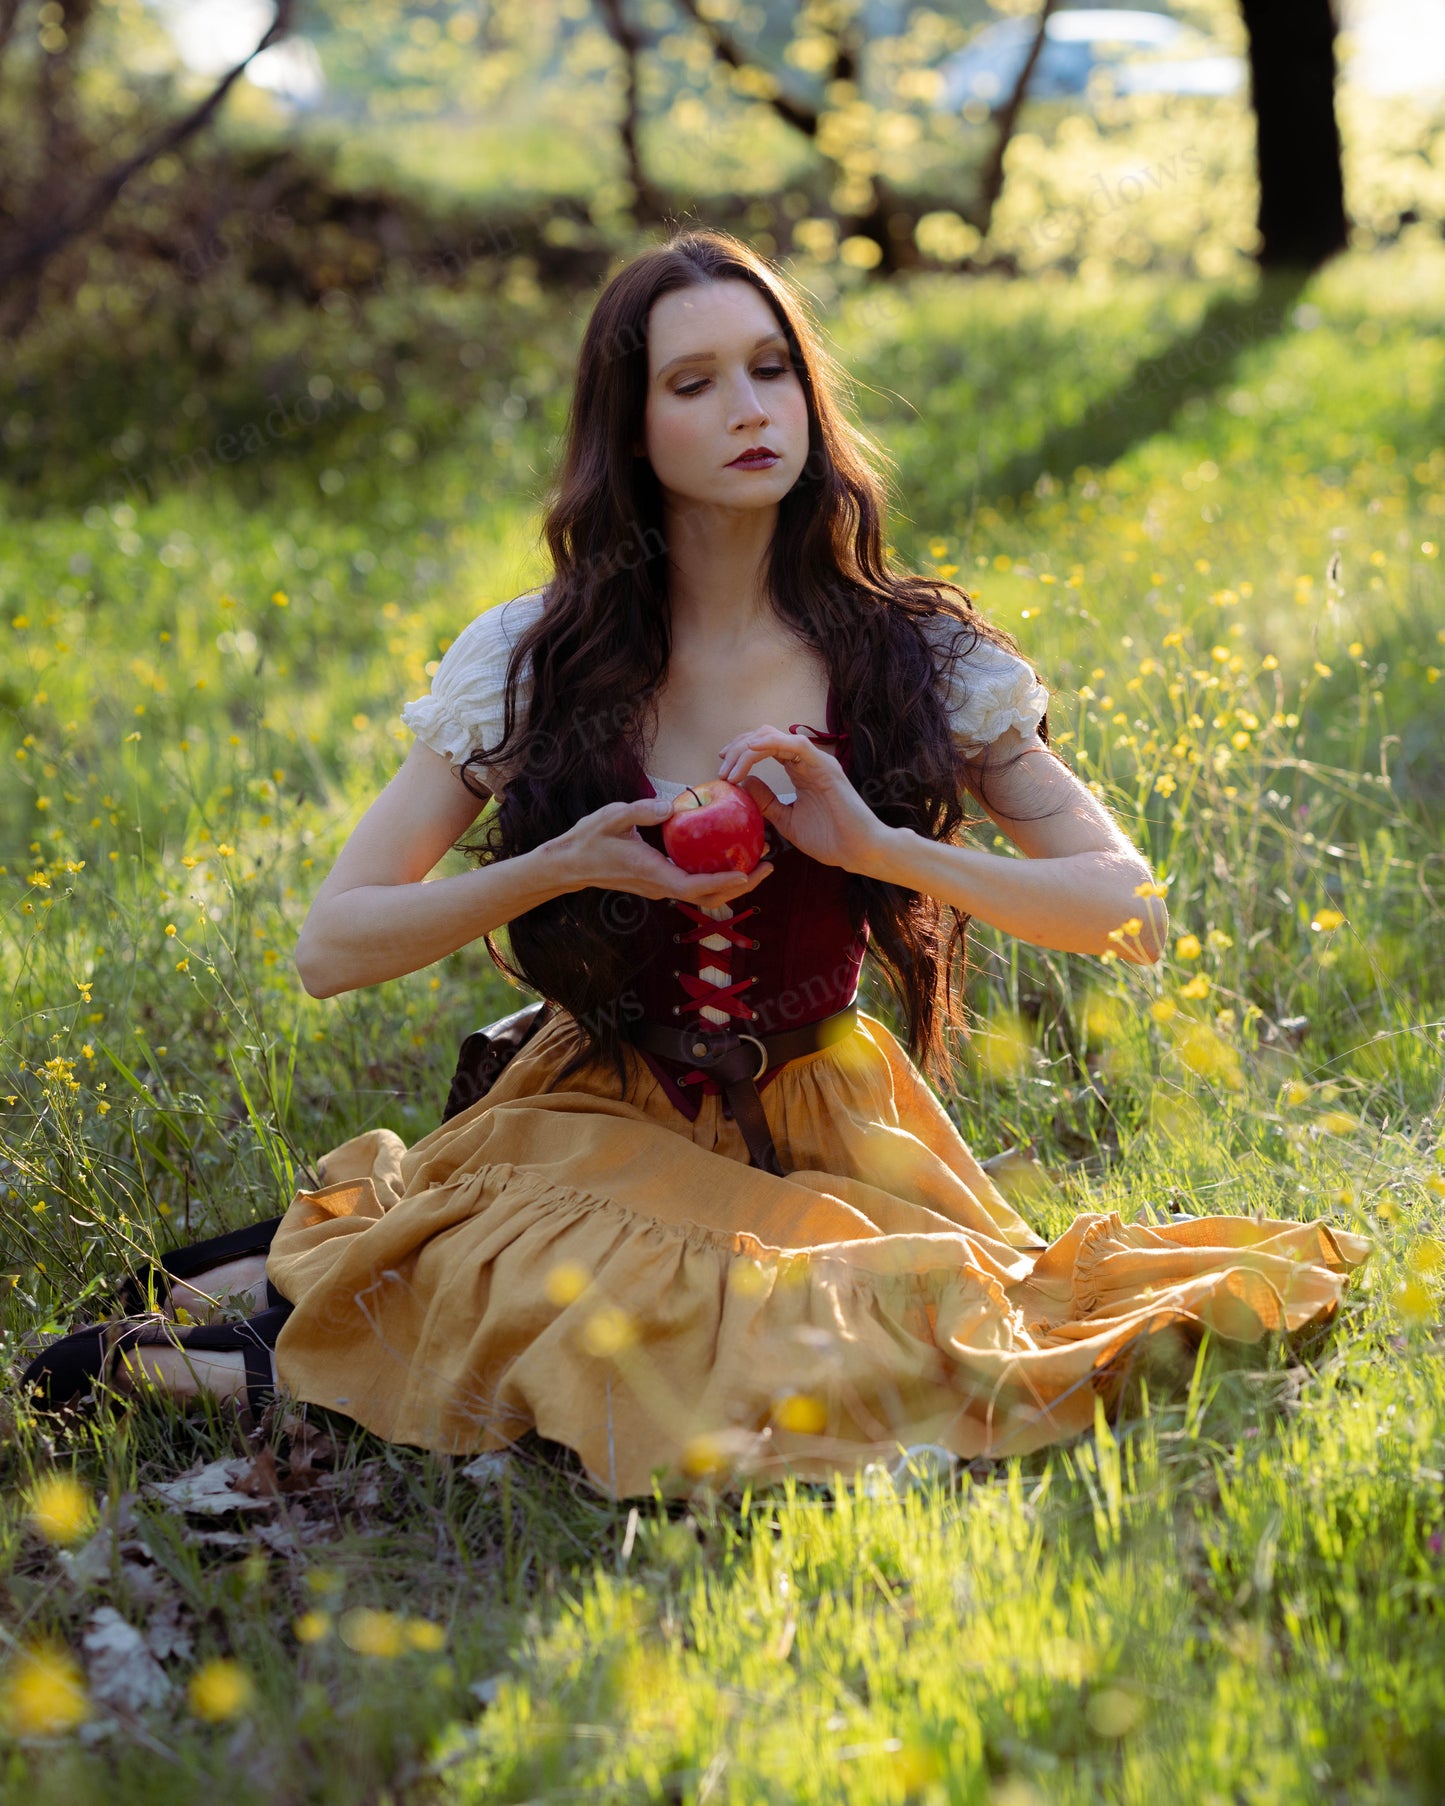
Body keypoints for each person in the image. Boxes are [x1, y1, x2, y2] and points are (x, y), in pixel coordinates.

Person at [24, 228, 1367, 1499]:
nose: (750, 408)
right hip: (595, 1108)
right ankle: (225, 1357)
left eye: (772, 369)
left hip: (825, 1123)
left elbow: (1130, 914)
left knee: (868, 1339)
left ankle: (284, 1332)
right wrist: (551, 864)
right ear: (633, 428)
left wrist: (880, 846)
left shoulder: (915, 658)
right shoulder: (538, 658)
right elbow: (334, 948)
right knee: (599, 1302)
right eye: (696, 379)